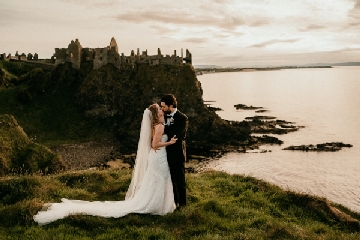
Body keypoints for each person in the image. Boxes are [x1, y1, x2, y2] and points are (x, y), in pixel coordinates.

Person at [33, 104, 178, 225]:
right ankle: (158, 205)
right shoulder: (159, 126)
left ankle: (157, 203)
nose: (161, 110)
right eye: (159, 109)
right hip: (158, 156)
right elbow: (154, 144)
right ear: (155, 114)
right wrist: (169, 142)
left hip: (157, 157)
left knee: (156, 180)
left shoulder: (157, 125)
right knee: (161, 179)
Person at [160, 94, 188, 208]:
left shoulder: (182, 118)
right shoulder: (163, 115)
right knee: (169, 180)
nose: (161, 109)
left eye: (163, 106)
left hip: (176, 154)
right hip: (163, 153)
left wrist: (163, 125)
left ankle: (182, 204)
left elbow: (176, 135)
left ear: (171, 106)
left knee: (179, 180)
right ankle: (172, 202)